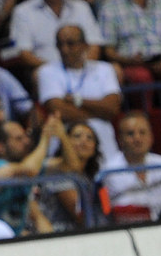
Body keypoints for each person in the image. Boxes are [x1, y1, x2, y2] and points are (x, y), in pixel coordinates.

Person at [36, 23, 122, 162]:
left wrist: (78, 101)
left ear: (85, 45)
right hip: (65, 147)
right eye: (60, 44)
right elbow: (59, 111)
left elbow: (112, 108)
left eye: (70, 44)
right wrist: (100, 112)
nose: (64, 49)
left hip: (104, 144)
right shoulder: (47, 71)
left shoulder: (104, 69)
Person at [3, 0, 103, 77]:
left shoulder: (81, 7)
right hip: (47, 72)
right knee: (37, 75)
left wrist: (80, 69)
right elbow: (24, 53)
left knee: (114, 70)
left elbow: (94, 46)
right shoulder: (22, 11)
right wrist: (56, 71)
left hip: (83, 70)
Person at [100, 111, 161, 223]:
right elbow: (105, 210)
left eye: (142, 133)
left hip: (153, 228)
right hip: (121, 228)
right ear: (120, 140)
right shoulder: (108, 171)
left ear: (151, 137)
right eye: (130, 134)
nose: (137, 139)